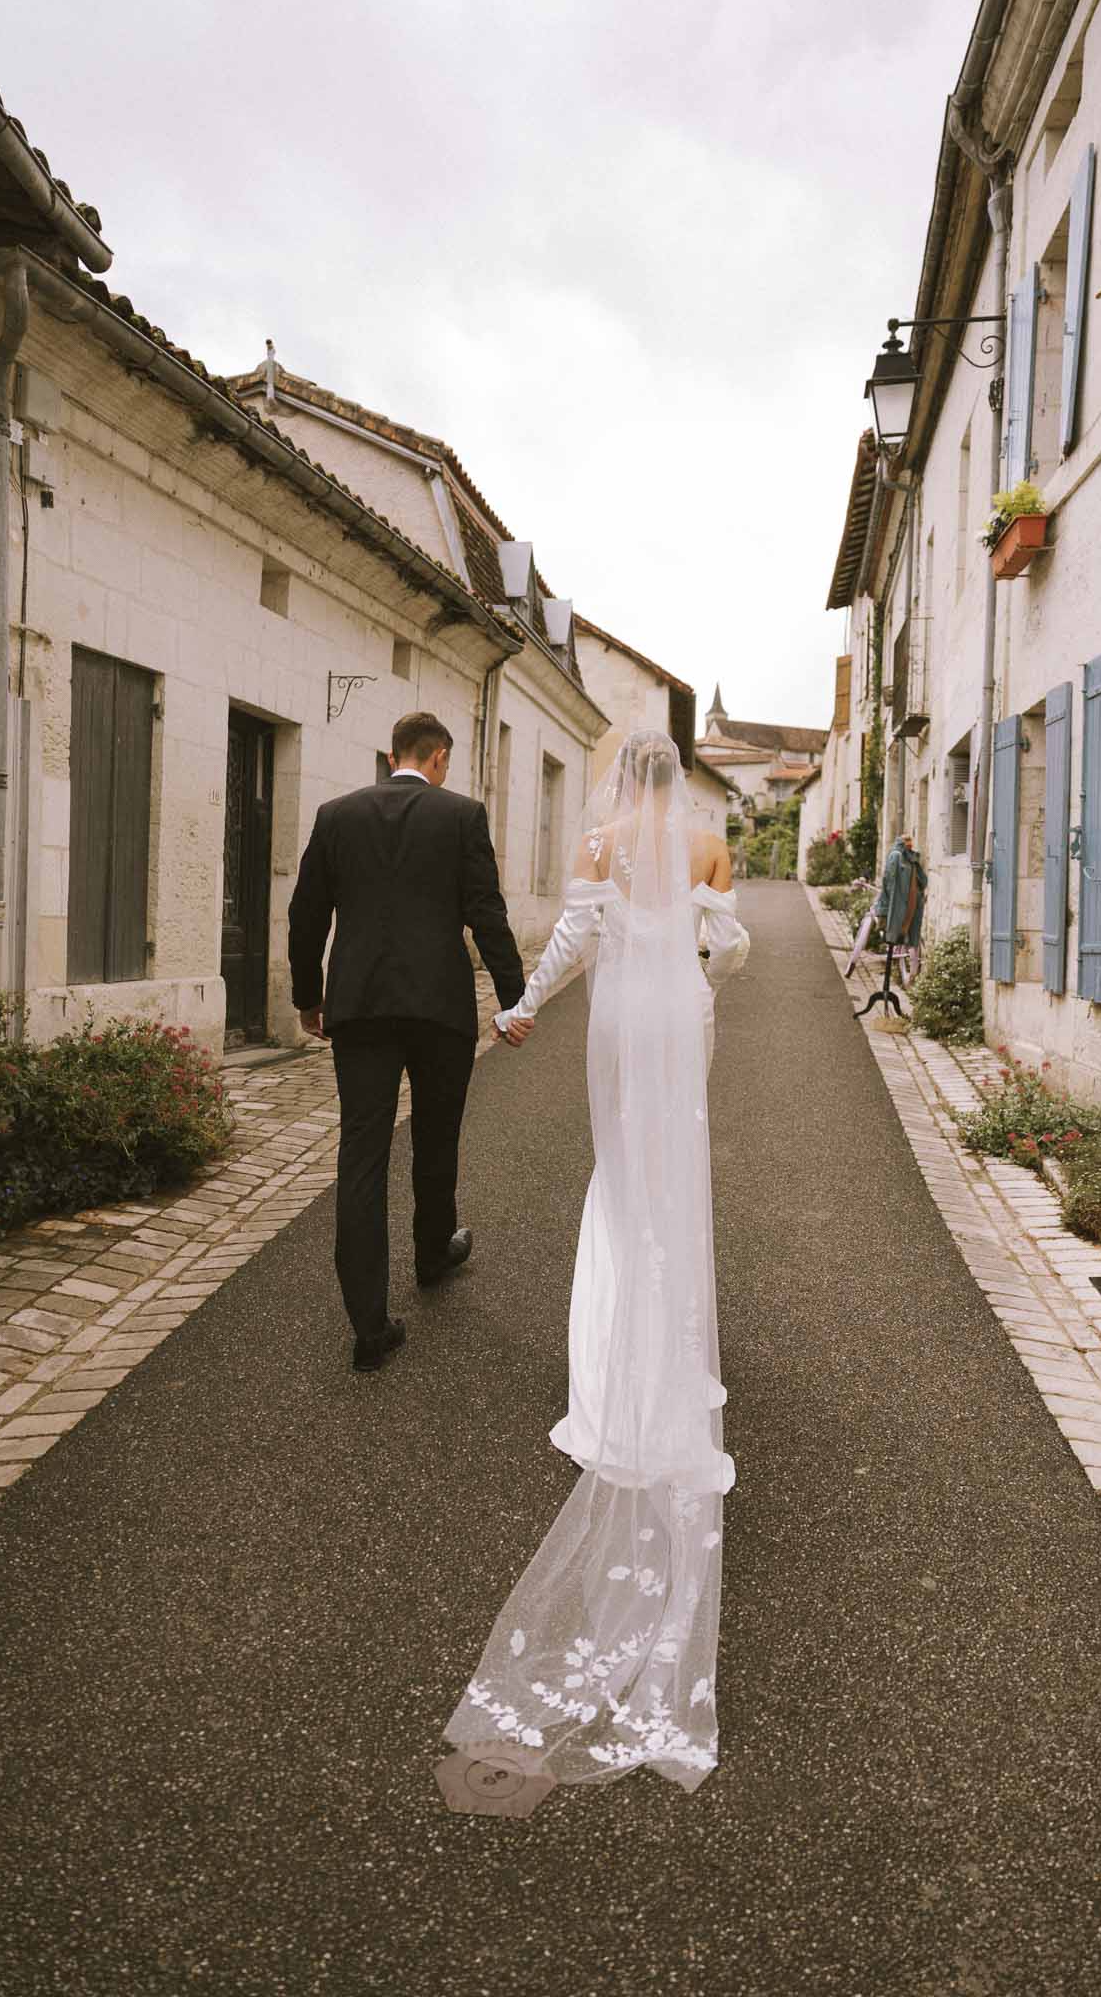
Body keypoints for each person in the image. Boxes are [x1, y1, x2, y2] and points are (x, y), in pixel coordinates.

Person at [442, 730, 750, 1791]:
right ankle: (672, 1345)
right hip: (683, 1013)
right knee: (673, 1176)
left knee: (620, 1175)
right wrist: (701, 954)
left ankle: (612, 1359)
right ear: (684, 783)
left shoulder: (600, 838)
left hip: (620, 1018)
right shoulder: (708, 844)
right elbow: (735, 949)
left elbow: (574, 938)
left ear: (625, 779)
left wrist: (522, 1007)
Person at [287, 711, 530, 1373]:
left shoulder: (337, 815)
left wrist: (308, 996)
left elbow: (306, 913)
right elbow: (487, 912)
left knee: (361, 1153)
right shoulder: (461, 816)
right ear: (439, 756)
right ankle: (430, 1254)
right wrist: (514, 1000)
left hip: (359, 1006)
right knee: (435, 1133)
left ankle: (369, 1326)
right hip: (438, 1006)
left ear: (390, 752)